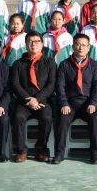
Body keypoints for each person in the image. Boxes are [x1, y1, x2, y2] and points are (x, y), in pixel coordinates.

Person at [52, 34, 97, 164]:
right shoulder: (64, 64)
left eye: (84, 45)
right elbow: (60, 86)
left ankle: (95, 154)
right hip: (70, 103)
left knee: (95, 120)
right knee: (62, 119)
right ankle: (59, 154)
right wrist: (64, 103)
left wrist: (93, 103)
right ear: (73, 46)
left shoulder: (94, 65)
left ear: (89, 47)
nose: (81, 48)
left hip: (88, 103)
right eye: (78, 44)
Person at [9, 31, 57, 163]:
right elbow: (15, 84)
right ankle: (21, 150)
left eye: (37, 41)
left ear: (42, 44)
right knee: (18, 117)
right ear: (25, 44)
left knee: (46, 117)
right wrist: (28, 99)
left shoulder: (49, 62)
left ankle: (41, 149)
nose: (33, 44)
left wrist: (37, 99)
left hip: (42, 101)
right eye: (30, 41)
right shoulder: (18, 63)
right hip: (24, 102)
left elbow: (51, 84)